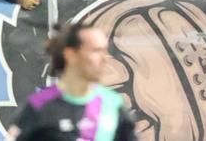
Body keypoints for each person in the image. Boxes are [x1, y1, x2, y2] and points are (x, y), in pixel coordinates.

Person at [8, 24, 142, 140]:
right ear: (71, 55)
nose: (105, 59)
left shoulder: (113, 104)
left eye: (105, 51)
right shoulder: (40, 105)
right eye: (96, 51)